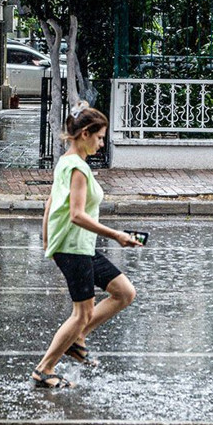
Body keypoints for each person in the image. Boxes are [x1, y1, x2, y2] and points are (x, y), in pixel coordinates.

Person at [32, 102, 142, 389]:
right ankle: (44, 369)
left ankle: (77, 338)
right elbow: (77, 215)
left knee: (124, 292)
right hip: (73, 247)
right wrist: (117, 235)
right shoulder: (77, 168)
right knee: (81, 313)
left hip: (80, 245)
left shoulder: (68, 162)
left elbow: (51, 202)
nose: (102, 144)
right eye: (100, 137)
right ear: (84, 134)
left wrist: (47, 239)